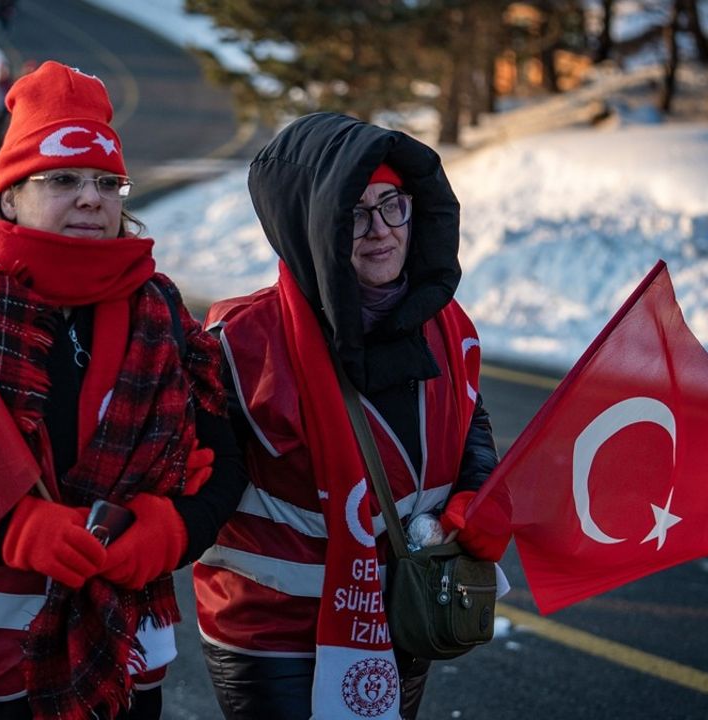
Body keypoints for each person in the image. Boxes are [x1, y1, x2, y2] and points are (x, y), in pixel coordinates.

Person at [0, 60, 246, 720]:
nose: (91, 198)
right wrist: (13, 527)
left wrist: (175, 528)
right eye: (62, 180)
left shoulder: (164, 316)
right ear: (8, 197)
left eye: (106, 182)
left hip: (111, 669)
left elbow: (223, 458)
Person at [192, 112, 512, 719]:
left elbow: (469, 418)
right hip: (271, 629)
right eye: (353, 213)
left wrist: (478, 493)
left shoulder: (446, 326)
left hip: (402, 611)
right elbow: (199, 475)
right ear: (309, 225)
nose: (380, 230)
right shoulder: (240, 343)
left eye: (393, 203)